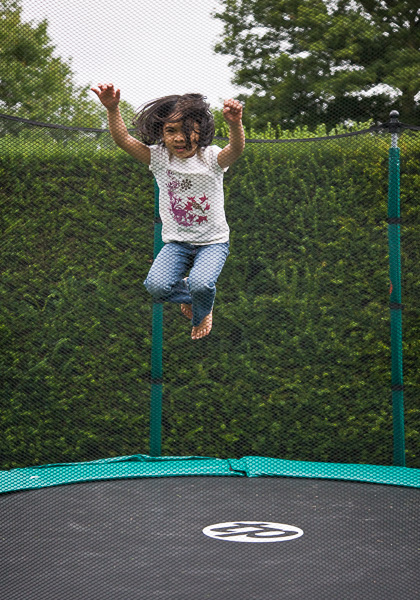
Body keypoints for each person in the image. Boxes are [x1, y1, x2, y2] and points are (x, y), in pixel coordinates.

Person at [91, 83, 245, 339]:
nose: (179, 138)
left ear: (201, 131)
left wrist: (234, 124)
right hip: (177, 243)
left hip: (213, 242)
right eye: (171, 131)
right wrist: (112, 108)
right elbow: (123, 140)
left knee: (202, 284)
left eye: (187, 131)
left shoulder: (211, 159)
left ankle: (202, 309)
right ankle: (194, 295)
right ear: (161, 133)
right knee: (156, 286)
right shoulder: (161, 158)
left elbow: (236, 150)